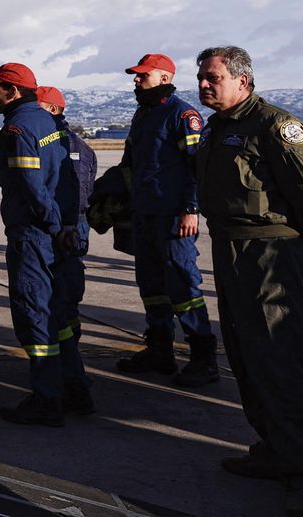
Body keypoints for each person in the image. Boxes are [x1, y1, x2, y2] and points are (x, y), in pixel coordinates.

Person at [195, 46, 303, 517]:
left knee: (279, 359)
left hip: (269, 252)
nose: (204, 85)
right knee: (245, 355)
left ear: (243, 80)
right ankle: (273, 451)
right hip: (230, 249)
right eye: (201, 78)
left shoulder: (276, 125)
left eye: (213, 77)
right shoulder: (218, 128)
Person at [116, 53, 219, 388]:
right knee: (151, 286)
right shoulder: (143, 113)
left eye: (142, 75)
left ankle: (204, 359)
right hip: (145, 213)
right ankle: (159, 350)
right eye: (135, 75)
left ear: (163, 78)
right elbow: (130, 163)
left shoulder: (182, 115)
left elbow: (197, 168)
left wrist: (191, 209)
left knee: (183, 285)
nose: (136, 79)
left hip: (174, 216)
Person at [0, 63, 71, 426]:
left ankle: (47, 399)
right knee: (58, 313)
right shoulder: (49, 123)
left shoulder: (17, 129)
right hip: (56, 230)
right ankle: (71, 386)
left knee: (34, 312)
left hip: (33, 233)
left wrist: (50, 223)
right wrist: (64, 225)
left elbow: (32, 187)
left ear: (12, 92)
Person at [36, 86, 97, 415]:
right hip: (74, 229)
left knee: (59, 303)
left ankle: (71, 377)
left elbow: (70, 196)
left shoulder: (57, 145)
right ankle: (70, 367)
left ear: (54, 110)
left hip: (63, 231)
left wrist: (63, 229)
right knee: (67, 302)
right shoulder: (82, 147)